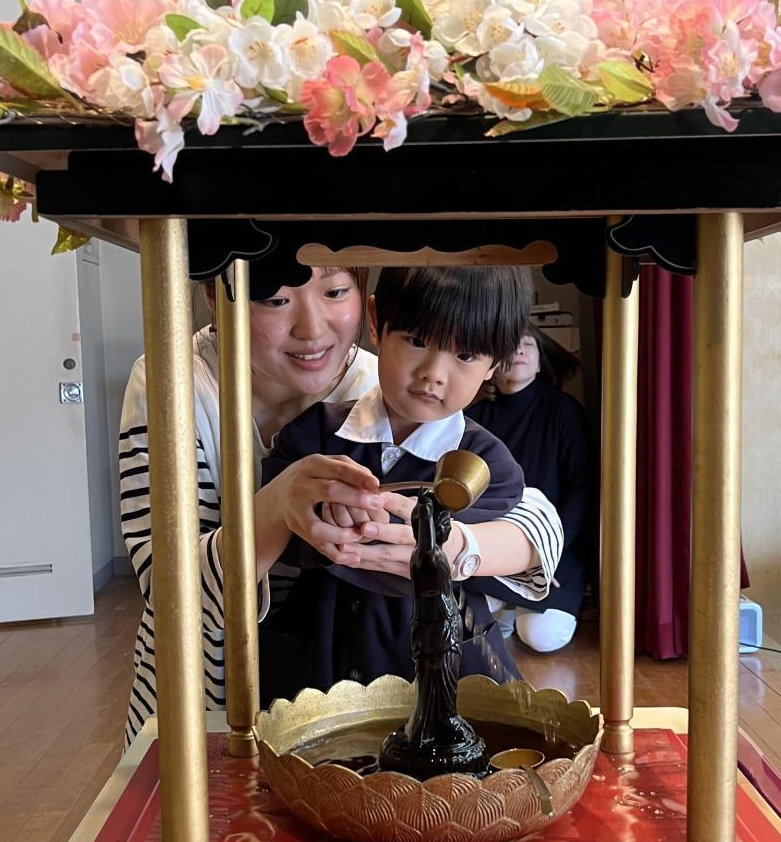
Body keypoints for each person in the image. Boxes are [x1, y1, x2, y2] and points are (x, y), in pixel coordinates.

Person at [118, 257, 564, 745]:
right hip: (213, 688)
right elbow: (171, 591)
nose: (312, 330)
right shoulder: (176, 386)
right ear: (215, 296)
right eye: (276, 299)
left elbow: (533, 519)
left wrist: (464, 548)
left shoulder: (391, 385)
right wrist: (287, 508)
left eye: (334, 293)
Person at [258, 266, 530, 702]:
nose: (433, 373)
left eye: (464, 355)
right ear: (376, 322)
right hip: (321, 657)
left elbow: (492, 549)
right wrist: (317, 518)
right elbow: (281, 540)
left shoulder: (486, 463)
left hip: (448, 662)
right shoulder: (312, 435)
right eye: (417, 340)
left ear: (495, 363)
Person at [469, 324, 594, 654]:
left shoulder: (564, 411)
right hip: (493, 547)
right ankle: (505, 608)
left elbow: (581, 490)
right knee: (468, 625)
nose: (520, 350)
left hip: (556, 546)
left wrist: (546, 554)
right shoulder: (475, 417)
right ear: (493, 365)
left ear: (540, 363)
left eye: (528, 344)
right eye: (511, 345)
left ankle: (511, 609)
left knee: (542, 636)